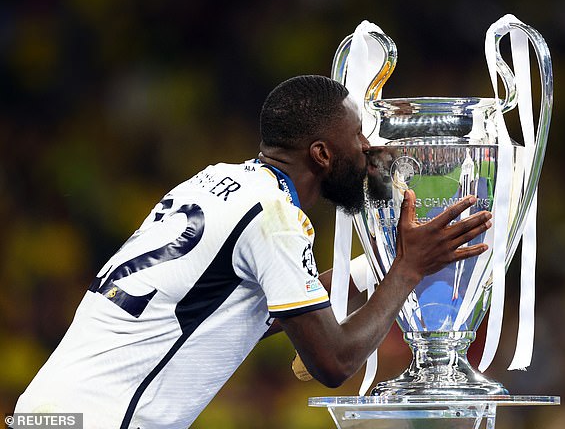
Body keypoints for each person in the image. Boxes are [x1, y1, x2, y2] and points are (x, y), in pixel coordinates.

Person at [14, 75, 492, 428]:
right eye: (357, 139)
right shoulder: (274, 216)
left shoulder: (213, 181)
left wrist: (378, 266)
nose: (367, 150)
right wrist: (408, 271)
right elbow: (334, 362)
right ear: (322, 154)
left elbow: (225, 312)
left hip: (47, 412)